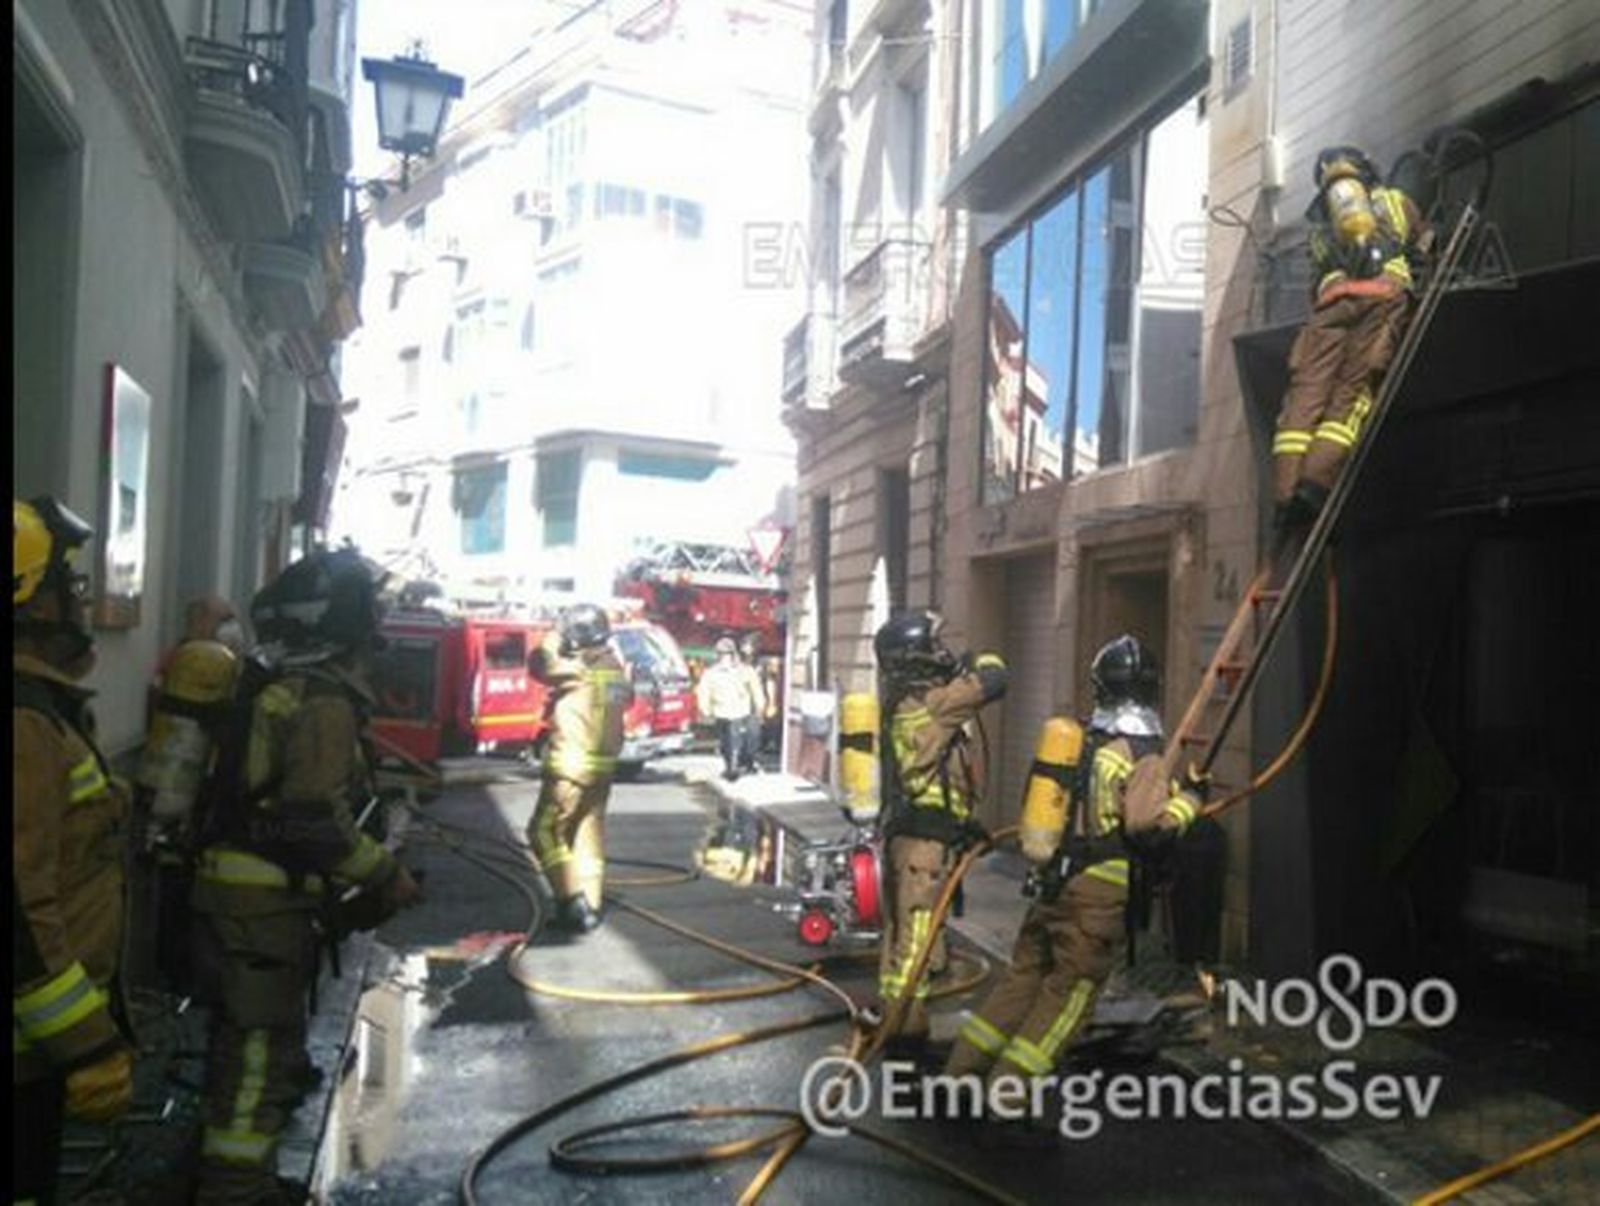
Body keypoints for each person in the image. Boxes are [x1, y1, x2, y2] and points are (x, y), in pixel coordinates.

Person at [191, 548, 423, 1205]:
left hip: (235, 892)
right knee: (257, 1055)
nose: (377, 622)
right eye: (369, 607)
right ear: (343, 618)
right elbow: (314, 816)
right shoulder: (321, 698)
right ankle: (233, 1191)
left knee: (245, 1044)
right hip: (263, 902)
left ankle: (238, 1180)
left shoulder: (268, 679)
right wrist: (385, 874)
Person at [944, 635, 1205, 1095]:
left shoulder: (1078, 740)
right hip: (1097, 901)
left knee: (1020, 981)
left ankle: (959, 1076)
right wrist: (1190, 800)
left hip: (1052, 886)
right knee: (1068, 997)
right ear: (1149, 689)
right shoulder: (1143, 752)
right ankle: (1009, 1096)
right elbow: (1148, 827)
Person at [13, 497, 135, 1206]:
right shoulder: (25, 723)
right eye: (67, 584)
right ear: (27, 596)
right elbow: (20, 908)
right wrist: (85, 1043)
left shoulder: (42, 708)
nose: (80, 599)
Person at [1272, 145, 1429, 543]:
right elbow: (1424, 244)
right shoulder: (1394, 202)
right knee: (1351, 395)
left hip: (1328, 311)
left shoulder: (1322, 228)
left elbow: (1315, 284)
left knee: (1303, 402)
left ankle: (1285, 496)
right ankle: (1312, 488)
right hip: (1379, 298)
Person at [873, 611, 1008, 1061]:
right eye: (935, 644)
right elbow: (996, 678)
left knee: (903, 941)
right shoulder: (934, 702)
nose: (942, 651)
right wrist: (977, 657)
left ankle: (903, 1025)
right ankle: (903, 1044)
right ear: (917, 656)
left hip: (909, 838)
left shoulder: (903, 702)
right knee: (915, 944)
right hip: (923, 849)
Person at [528, 604, 631, 936]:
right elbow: (621, 702)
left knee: (543, 832)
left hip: (572, 766)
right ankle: (592, 904)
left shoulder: (580, 668)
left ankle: (572, 903)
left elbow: (539, 665)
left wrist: (552, 637)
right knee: (587, 834)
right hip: (603, 770)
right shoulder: (614, 669)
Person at [695, 636, 764, 781]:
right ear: (718, 655)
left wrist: (759, 705)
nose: (724, 657)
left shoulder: (744, 670)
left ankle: (734, 767)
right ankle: (729, 765)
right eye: (721, 654)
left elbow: (755, 688)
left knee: (737, 740)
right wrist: (705, 709)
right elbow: (703, 691)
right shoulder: (711, 673)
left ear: (733, 655)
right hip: (721, 712)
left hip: (739, 712)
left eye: (727, 654)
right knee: (725, 743)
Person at [736, 633, 768, 774]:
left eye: (751, 647)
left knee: (753, 735)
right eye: (746, 647)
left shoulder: (759, 666)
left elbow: (764, 685)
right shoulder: (737, 667)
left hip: (753, 707)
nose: (748, 651)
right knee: (740, 735)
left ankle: (750, 762)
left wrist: (763, 705)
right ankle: (740, 762)